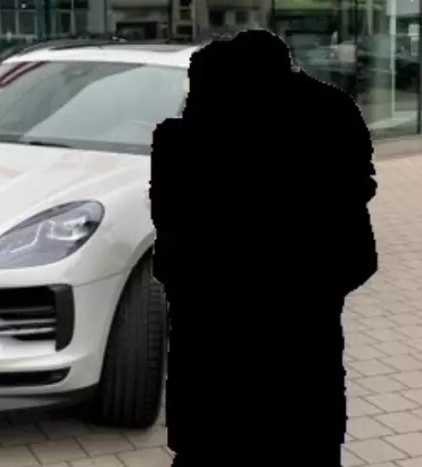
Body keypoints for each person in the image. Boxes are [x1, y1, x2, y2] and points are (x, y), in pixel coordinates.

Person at [151, 29, 377, 467]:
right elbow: (357, 247)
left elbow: (171, 243)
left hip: (210, 350)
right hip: (304, 345)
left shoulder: (182, 144)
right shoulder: (330, 117)